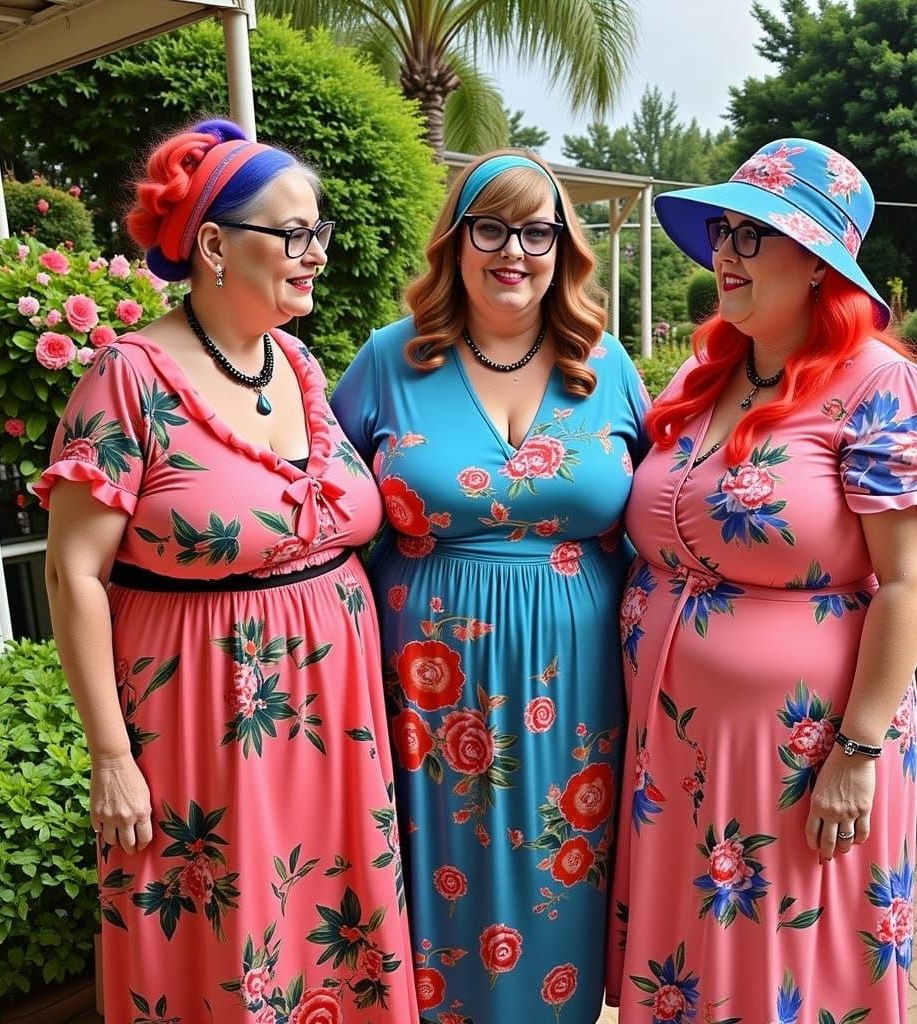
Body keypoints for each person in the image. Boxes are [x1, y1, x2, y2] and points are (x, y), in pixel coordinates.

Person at [35, 119, 417, 1022]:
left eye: (318, 233)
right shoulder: (128, 377)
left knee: (327, 930)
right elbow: (71, 574)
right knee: (227, 942)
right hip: (203, 723)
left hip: (334, 732)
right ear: (213, 244)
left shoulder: (296, 363)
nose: (314, 253)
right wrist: (110, 758)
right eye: (293, 235)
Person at [604, 139, 917, 1021]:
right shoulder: (706, 373)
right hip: (677, 741)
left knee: (781, 969)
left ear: (813, 262)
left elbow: (915, 580)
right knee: (691, 969)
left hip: (803, 752)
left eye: (749, 234)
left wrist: (858, 749)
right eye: (721, 231)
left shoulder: (883, 385)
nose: (722, 252)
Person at [331, 149, 649, 1022]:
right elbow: (315, 497)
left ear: (563, 248)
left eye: (537, 231)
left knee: (562, 877)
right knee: (441, 884)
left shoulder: (606, 364)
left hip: (578, 691)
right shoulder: (391, 361)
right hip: (425, 690)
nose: (515, 251)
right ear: (456, 241)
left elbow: (666, 504)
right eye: (492, 227)